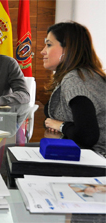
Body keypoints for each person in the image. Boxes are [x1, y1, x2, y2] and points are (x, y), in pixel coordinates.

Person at [42, 21, 106, 152]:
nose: (43, 51)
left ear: (67, 49)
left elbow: (88, 136)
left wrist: (62, 126)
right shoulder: (83, 74)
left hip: (96, 159)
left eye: (48, 45)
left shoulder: (75, 79)